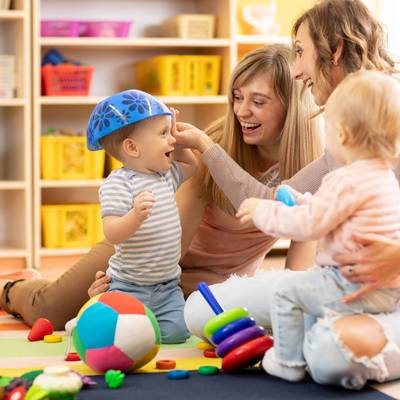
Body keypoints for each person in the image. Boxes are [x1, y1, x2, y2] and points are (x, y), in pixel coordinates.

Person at [0, 44, 322, 329]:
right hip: (145, 257)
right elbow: (169, 244)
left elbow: (295, 271)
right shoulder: (216, 145)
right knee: (50, 312)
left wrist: (287, 310)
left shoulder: (310, 164)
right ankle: (13, 287)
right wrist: (125, 285)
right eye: (237, 97)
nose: (241, 111)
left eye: (258, 101)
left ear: (291, 107)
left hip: (212, 281)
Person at [180, 0, 400, 390]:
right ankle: (318, 332)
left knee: (329, 357)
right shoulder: (341, 132)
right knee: (202, 311)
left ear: (333, 49)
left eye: (300, 52)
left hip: (388, 295)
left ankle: (329, 338)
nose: (296, 70)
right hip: (336, 283)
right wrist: (206, 148)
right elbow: (277, 197)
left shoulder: (390, 113)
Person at [236, 70, 400, 382]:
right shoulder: (382, 178)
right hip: (385, 287)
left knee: (286, 290)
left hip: (349, 285)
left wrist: (262, 211)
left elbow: (308, 227)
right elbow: (332, 213)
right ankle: (311, 349)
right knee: (309, 295)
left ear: (343, 135)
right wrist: (302, 201)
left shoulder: (346, 179)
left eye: (327, 128)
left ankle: (287, 361)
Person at [85, 89, 196, 343]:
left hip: (167, 286)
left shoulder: (166, 174)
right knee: (117, 336)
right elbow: (112, 232)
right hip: (127, 285)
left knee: (178, 332)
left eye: (170, 133)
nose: (172, 141)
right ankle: (86, 320)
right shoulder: (119, 183)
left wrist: (175, 134)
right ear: (132, 147)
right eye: (163, 134)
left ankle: (144, 326)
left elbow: (193, 166)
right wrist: (135, 216)